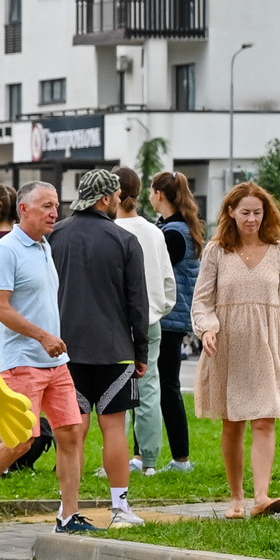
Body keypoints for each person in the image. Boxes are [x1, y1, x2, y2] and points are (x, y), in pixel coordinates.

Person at [0, 182, 88, 534]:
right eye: (46, 206)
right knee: (21, 440)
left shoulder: (44, 246)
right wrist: (42, 336)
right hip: (21, 360)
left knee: (71, 432)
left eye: (56, 205)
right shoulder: (7, 249)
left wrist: (54, 338)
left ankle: (69, 515)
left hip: (55, 362)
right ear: (24, 210)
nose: (54, 212)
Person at [50, 168, 151, 526]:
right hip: (115, 349)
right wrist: (142, 352)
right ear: (107, 198)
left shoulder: (54, 236)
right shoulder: (124, 240)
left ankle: (68, 509)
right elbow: (138, 302)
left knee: (72, 431)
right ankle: (120, 508)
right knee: (115, 428)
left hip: (64, 351)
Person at [194, 182, 280, 518]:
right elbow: (202, 300)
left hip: (269, 341)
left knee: (265, 419)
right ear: (231, 213)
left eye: (258, 212)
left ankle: (262, 497)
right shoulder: (216, 251)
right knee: (233, 423)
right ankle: (237, 499)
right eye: (245, 213)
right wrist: (207, 328)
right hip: (227, 345)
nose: (252, 219)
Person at [112, 166, 177, 476]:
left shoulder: (109, 230)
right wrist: (157, 310)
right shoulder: (154, 231)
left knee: (117, 391)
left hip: (114, 321)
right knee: (149, 389)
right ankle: (149, 459)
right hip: (149, 320)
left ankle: (118, 457)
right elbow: (168, 282)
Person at [150, 173, 201, 475]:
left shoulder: (172, 233)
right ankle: (176, 457)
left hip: (168, 317)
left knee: (165, 387)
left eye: (152, 193)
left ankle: (181, 458)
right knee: (165, 385)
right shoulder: (181, 228)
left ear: (159, 195)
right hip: (175, 317)